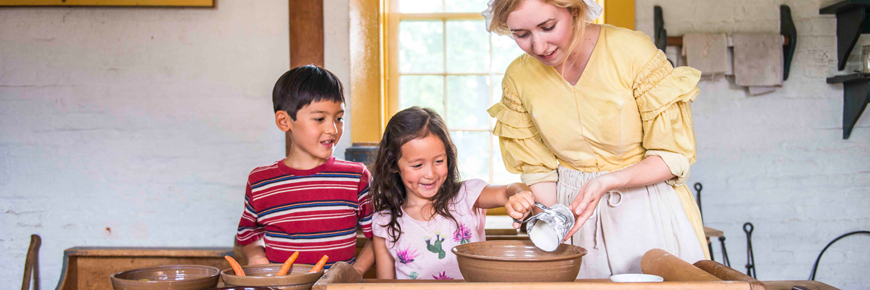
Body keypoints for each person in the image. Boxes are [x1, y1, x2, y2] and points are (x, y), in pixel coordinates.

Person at [483, 0, 709, 278]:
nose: (539, 47)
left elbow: (673, 156)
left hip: (647, 210)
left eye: (548, 27)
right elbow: (537, 169)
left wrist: (607, 181)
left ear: (574, 11)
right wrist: (549, 220)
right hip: (575, 217)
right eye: (521, 34)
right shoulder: (518, 78)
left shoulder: (631, 52)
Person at [234, 65, 374, 274]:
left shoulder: (356, 177)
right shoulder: (260, 181)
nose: (333, 129)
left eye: (339, 118)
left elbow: (380, 234)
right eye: (319, 119)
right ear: (284, 121)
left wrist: (355, 273)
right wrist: (256, 257)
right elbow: (247, 235)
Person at [370, 106, 538, 280]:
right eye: (417, 165)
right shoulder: (385, 223)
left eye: (439, 161)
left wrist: (520, 195)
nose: (430, 174)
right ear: (393, 165)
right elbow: (386, 285)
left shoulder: (466, 196)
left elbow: (508, 190)